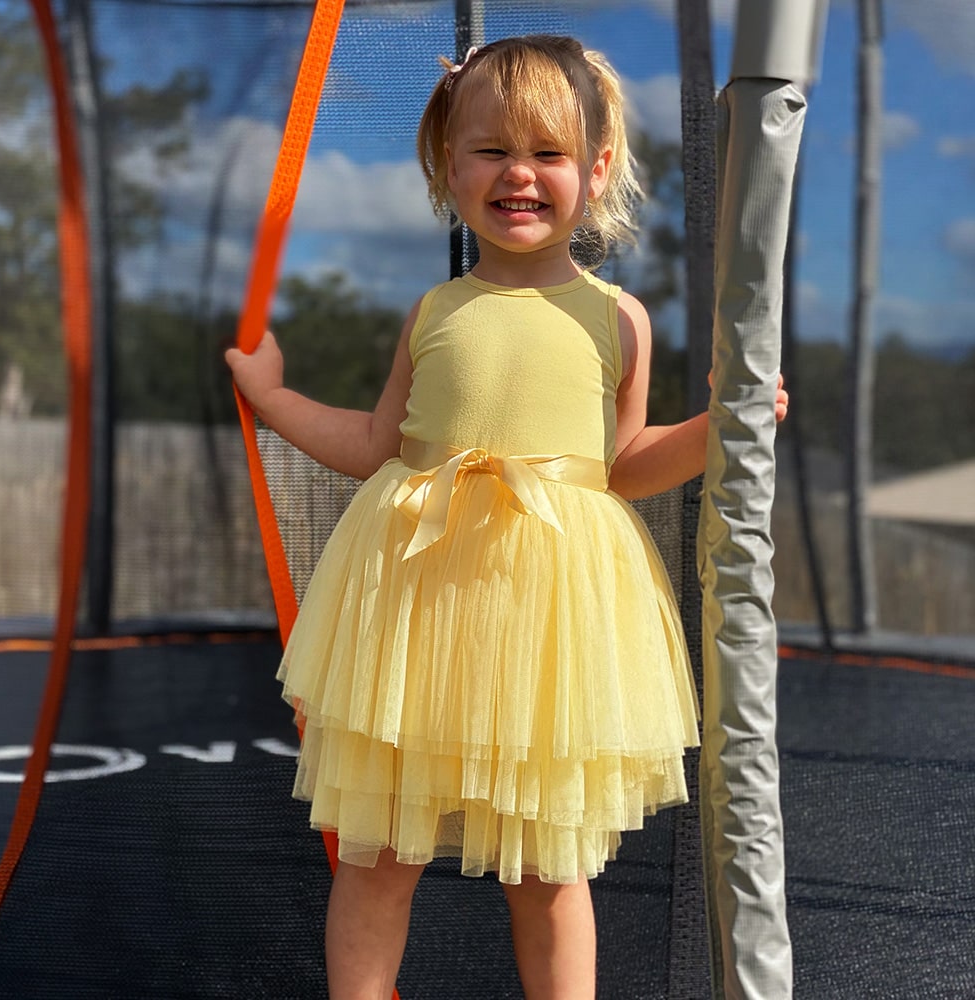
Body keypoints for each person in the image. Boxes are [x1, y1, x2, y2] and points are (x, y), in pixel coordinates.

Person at [227, 34, 788, 1000]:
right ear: (450, 165)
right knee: (376, 857)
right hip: (417, 613)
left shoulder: (615, 318)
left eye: (548, 153)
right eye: (490, 150)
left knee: (550, 872)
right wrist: (274, 399)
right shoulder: (436, 310)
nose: (517, 175)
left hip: (546, 632)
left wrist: (717, 426)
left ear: (597, 168)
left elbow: (618, 466)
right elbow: (376, 444)